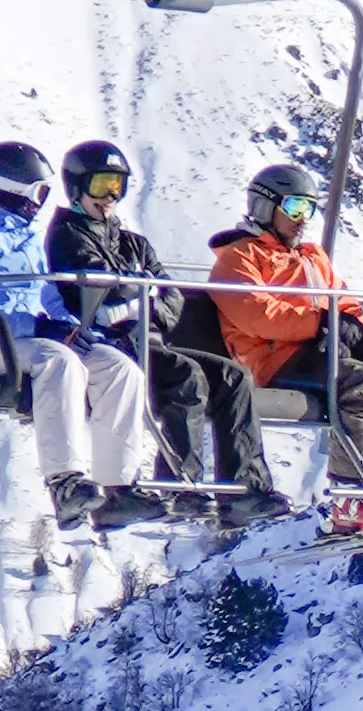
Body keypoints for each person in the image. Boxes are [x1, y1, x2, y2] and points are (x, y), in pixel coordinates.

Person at [0, 138, 158, 525]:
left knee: (118, 367)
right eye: (39, 192)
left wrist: (69, 327)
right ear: (11, 191)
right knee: (59, 361)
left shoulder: (26, 238)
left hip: (33, 343)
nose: (41, 202)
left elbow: (48, 294)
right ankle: (65, 481)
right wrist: (38, 327)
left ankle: (117, 490)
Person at [49, 138, 271, 499]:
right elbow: (102, 294)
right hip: (112, 347)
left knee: (233, 376)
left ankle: (245, 490)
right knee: (186, 377)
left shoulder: (134, 244)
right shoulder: (67, 236)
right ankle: (179, 486)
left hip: (150, 341)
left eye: (118, 186)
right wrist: (142, 293)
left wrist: (141, 298)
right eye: (101, 185)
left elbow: (172, 300)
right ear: (76, 186)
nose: (110, 197)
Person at [197, 158, 363, 490]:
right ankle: (351, 492)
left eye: (309, 210)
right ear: (266, 206)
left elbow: (343, 299)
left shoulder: (313, 257)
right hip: (276, 361)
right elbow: (258, 314)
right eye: (295, 208)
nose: (303, 220)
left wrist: (356, 330)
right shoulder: (239, 258)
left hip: (324, 354)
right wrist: (323, 324)